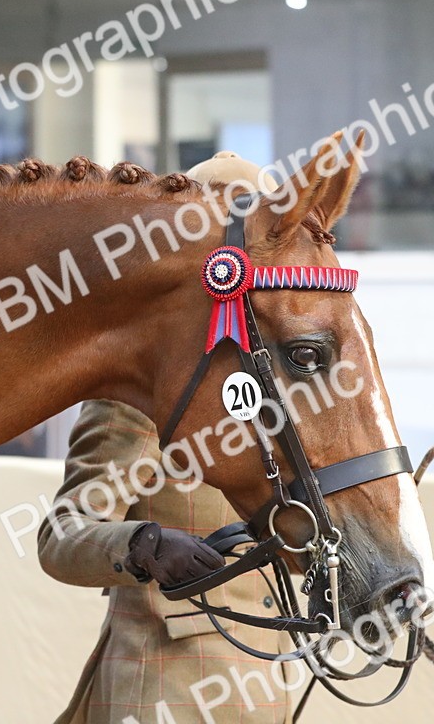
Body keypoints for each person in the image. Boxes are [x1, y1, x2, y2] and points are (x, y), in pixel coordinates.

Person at [38, 153, 295, 724]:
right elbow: (61, 537)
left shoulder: (278, 389)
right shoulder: (138, 391)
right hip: (161, 691)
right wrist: (145, 544)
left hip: (267, 681)